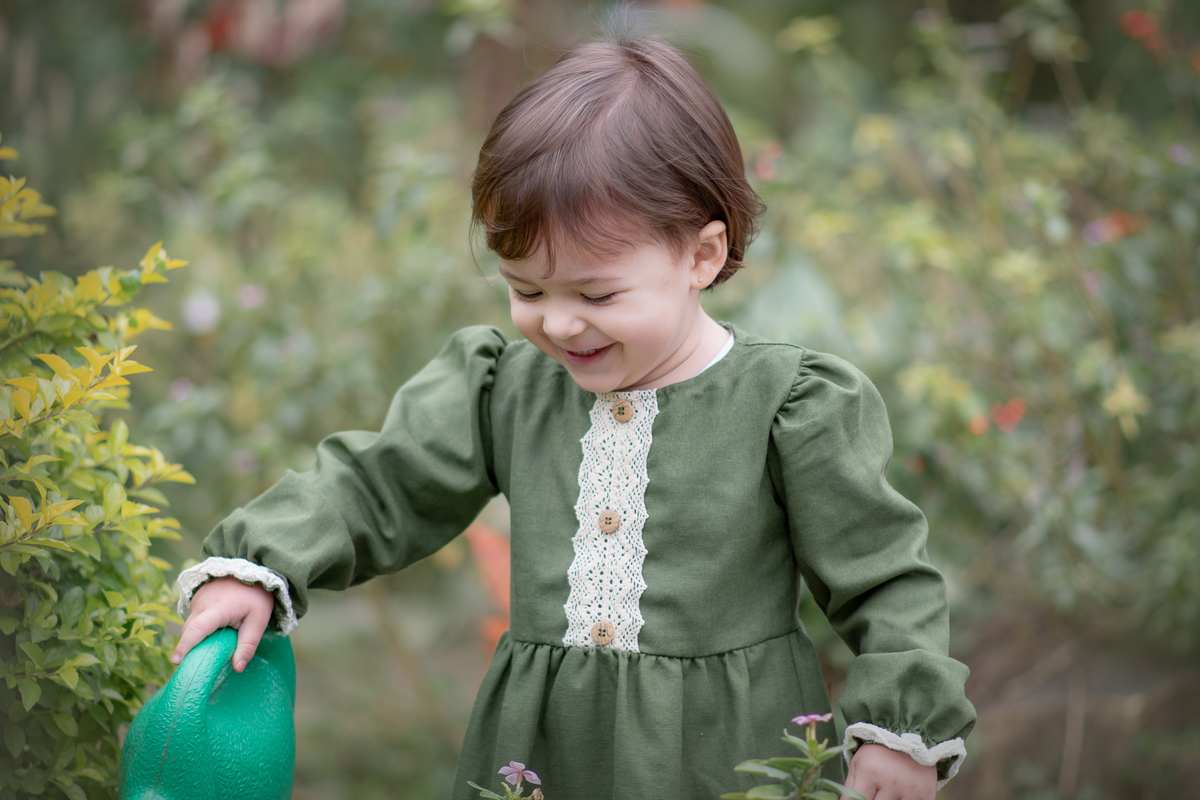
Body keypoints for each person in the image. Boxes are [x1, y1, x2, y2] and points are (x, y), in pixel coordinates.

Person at [171, 35, 975, 800]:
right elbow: (377, 482)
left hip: (729, 751)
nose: (558, 324)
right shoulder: (504, 389)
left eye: (595, 295)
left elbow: (882, 576)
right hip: (542, 751)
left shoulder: (786, 405)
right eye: (527, 290)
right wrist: (259, 563)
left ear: (700, 256)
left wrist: (899, 727)